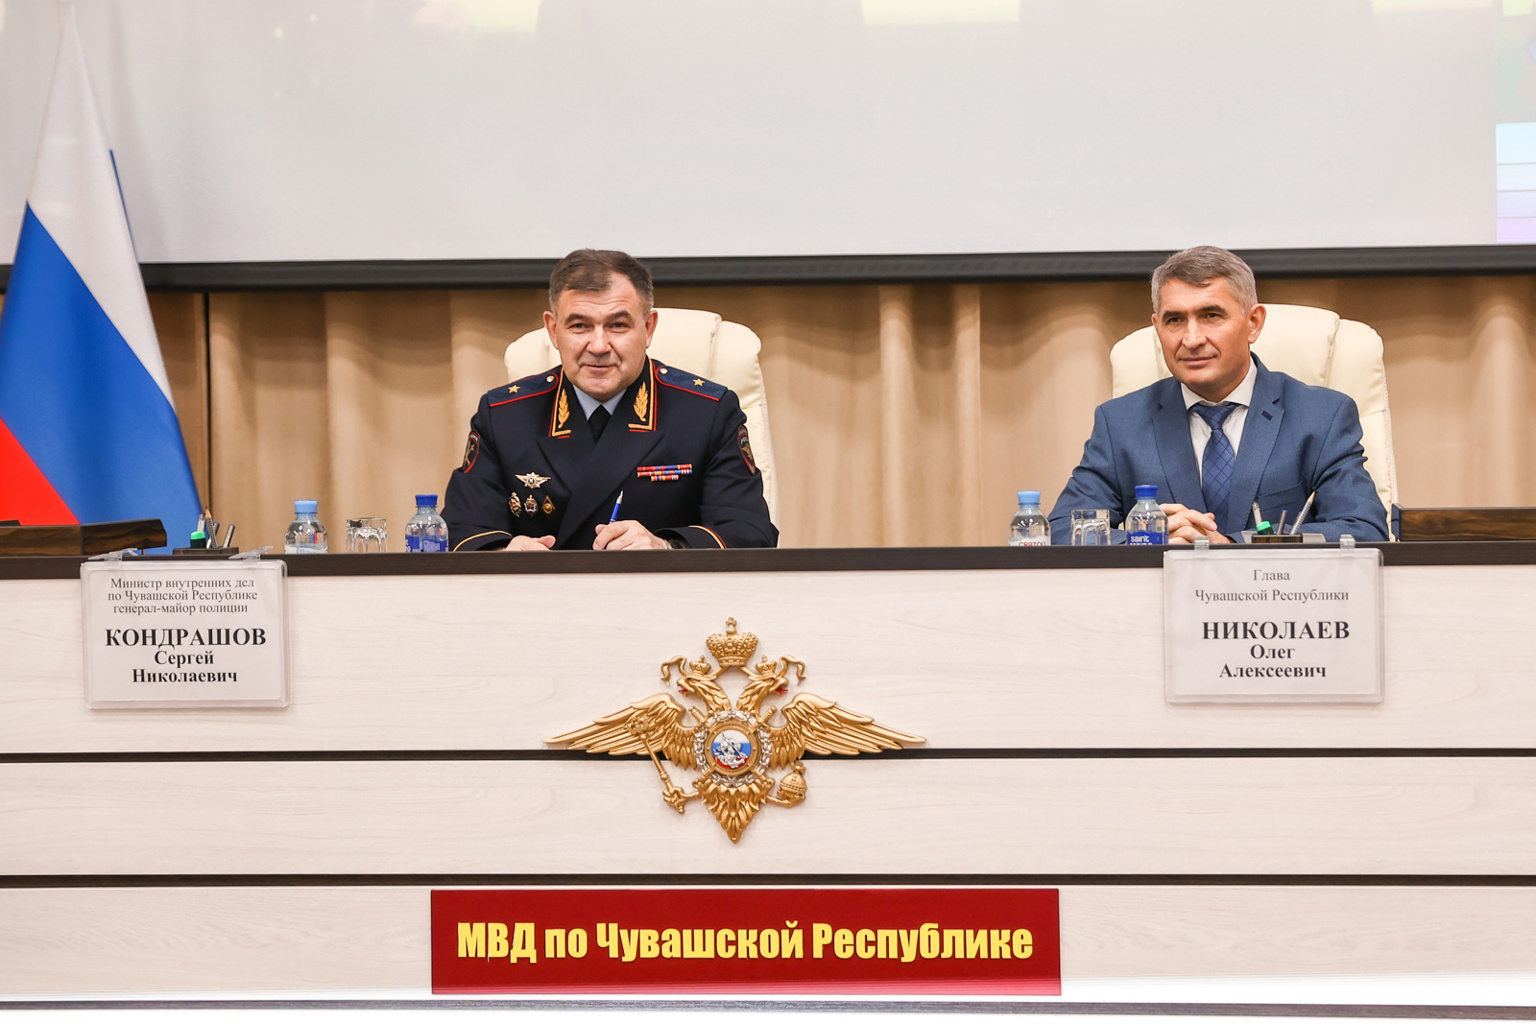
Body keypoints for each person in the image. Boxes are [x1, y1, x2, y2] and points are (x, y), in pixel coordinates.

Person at [1049, 246, 1389, 544]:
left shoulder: (1322, 416)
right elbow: (1063, 530)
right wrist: (1147, 539)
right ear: (1157, 328)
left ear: (1253, 323)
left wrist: (1229, 544)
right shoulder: (1119, 423)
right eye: (1174, 320)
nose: (1192, 339)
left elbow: (1363, 529)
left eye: (1211, 316)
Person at [445, 249, 777, 551]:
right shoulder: (504, 416)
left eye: (617, 325)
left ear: (648, 328)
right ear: (553, 330)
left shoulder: (707, 413)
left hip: (661, 593)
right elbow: (461, 531)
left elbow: (750, 533)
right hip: (542, 594)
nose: (599, 346)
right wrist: (503, 555)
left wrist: (667, 548)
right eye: (579, 326)